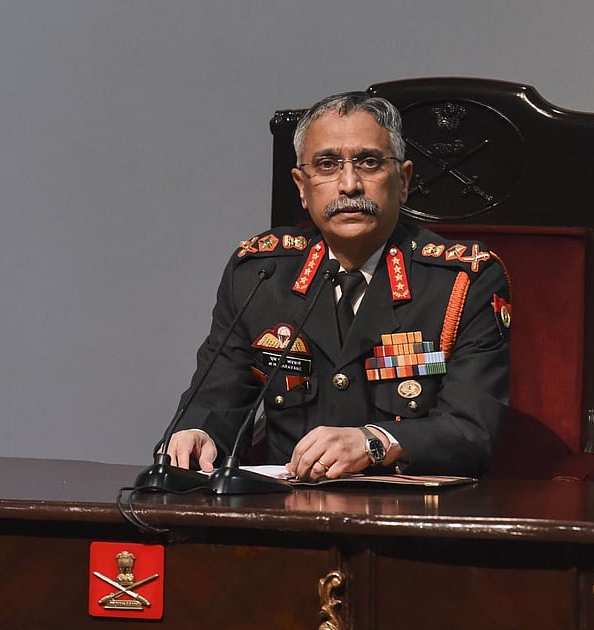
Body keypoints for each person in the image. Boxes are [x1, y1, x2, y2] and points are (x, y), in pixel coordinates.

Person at [166, 92, 511, 480]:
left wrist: (374, 441)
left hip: (411, 520)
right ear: (301, 184)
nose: (349, 185)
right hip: (284, 519)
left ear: (404, 181)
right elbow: (217, 395)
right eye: (327, 165)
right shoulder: (260, 275)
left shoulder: (462, 282)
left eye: (369, 162)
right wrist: (198, 432)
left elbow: (471, 431)